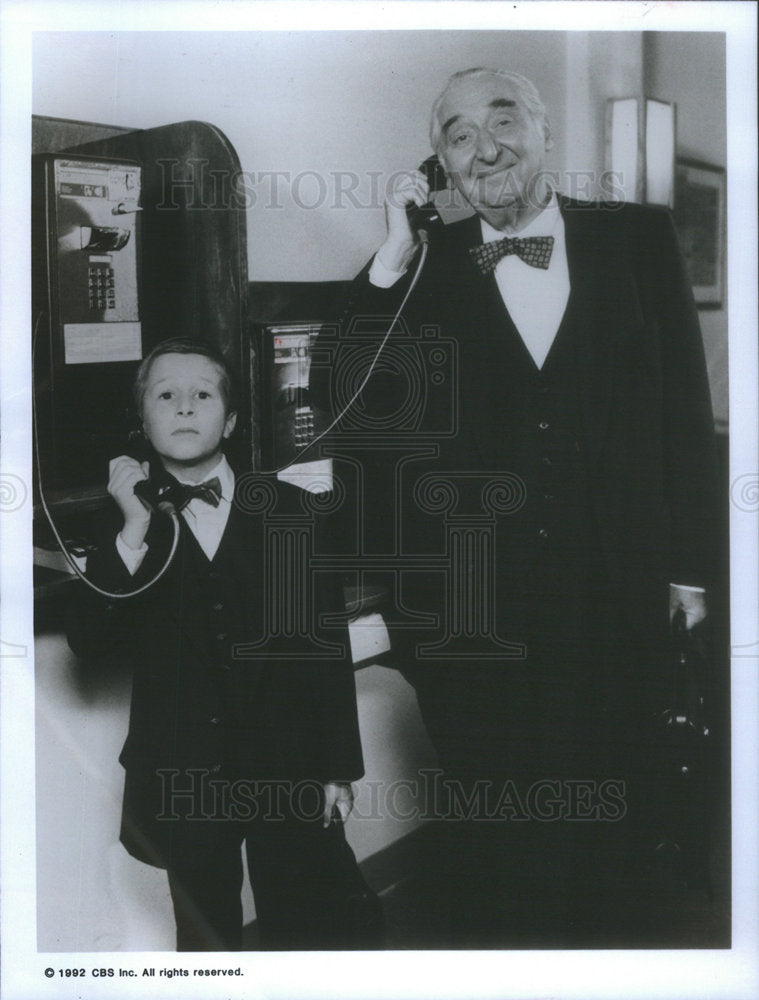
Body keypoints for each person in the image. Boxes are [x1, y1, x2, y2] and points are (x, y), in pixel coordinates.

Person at [309, 67, 720, 946]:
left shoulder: (637, 238)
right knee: (498, 839)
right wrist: (388, 258)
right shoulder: (418, 269)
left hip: (615, 594)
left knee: (619, 821)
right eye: (458, 135)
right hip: (469, 613)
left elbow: (684, 413)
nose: (484, 145)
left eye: (502, 121)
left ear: (543, 135)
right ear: (442, 168)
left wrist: (688, 574)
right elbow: (339, 395)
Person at [67, 337, 380, 951]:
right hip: (185, 780)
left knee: (309, 926)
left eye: (202, 395)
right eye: (166, 395)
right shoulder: (121, 523)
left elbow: (324, 646)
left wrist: (337, 767)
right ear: (143, 420)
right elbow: (88, 640)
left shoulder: (293, 513)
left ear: (230, 419)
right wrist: (132, 527)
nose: (184, 407)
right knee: (205, 938)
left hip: (287, 767)